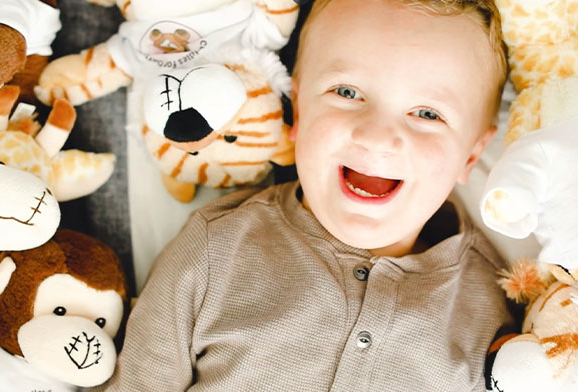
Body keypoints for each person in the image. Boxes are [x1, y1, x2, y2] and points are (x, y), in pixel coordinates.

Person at [97, 0, 512, 390]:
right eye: (347, 92)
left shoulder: (493, 302)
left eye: (428, 114)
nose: (377, 136)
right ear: (297, 109)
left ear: (471, 155)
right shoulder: (217, 247)